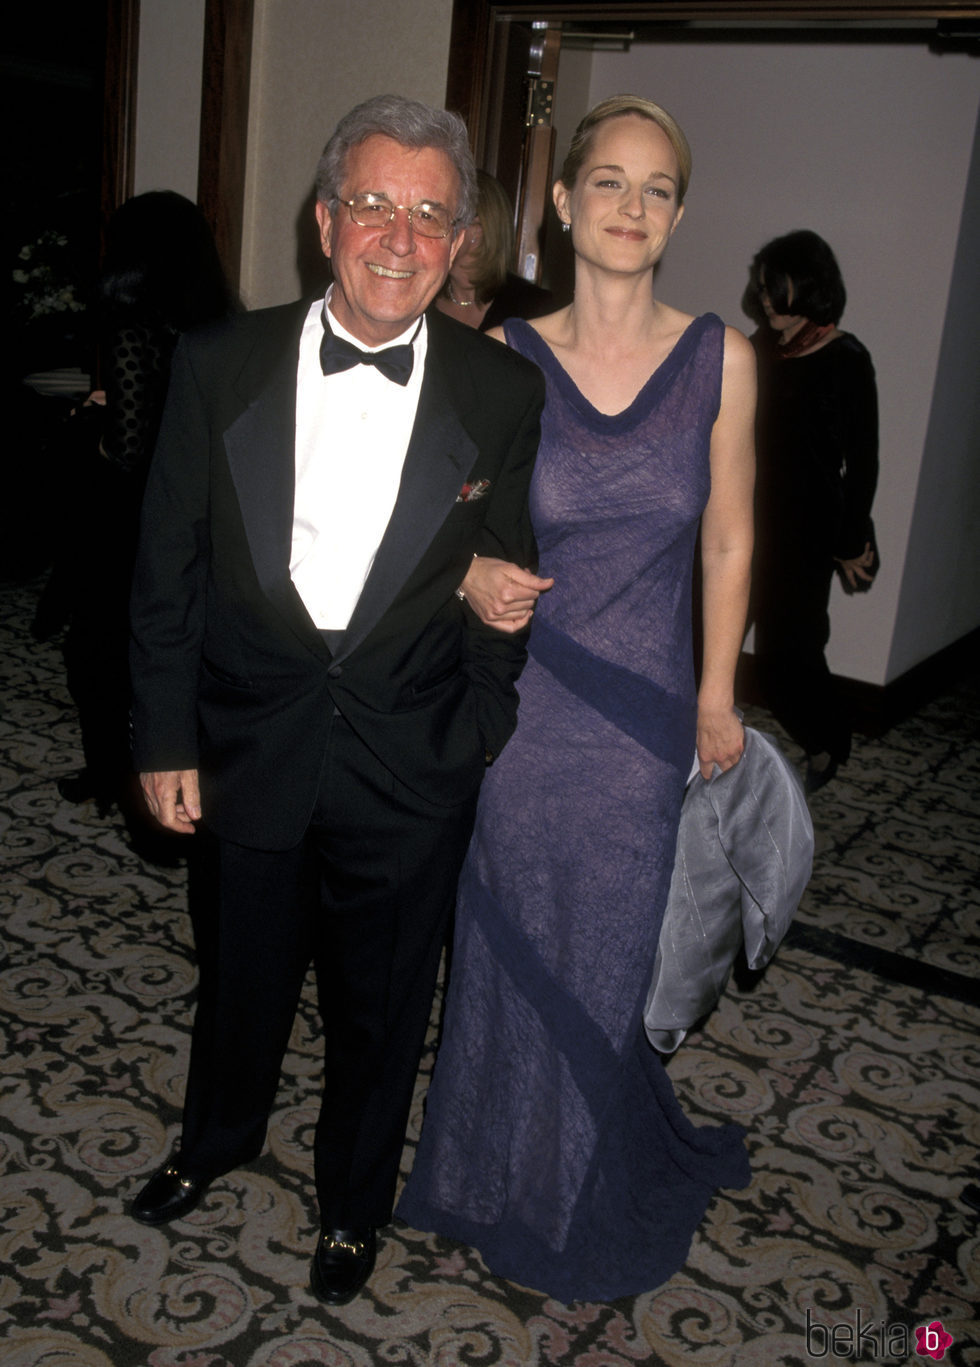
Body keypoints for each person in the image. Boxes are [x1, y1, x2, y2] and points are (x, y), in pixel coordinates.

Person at [126, 94, 545, 1308]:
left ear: (458, 240)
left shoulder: (498, 394)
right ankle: (213, 1142)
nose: (399, 238)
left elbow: (502, 578)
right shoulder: (218, 362)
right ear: (324, 221)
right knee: (240, 974)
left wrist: (478, 731)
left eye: (429, 214)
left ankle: (354, 1203)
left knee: (382, 1005)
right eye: (373, 204)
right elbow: (166, 572)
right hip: (247, 738)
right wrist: (162, 734)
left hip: (411, 756)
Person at [398, 94, 756, 1302]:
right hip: (523, 701)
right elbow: (432, 526)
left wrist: (716, 695)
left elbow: (725, 540)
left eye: (656, 188)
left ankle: (577, 1182)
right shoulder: (503, 355)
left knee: (602, 953)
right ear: (561, 201)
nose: (631, 206)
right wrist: (473, 568)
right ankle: (487, 1169)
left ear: (678, 213)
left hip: (642, 715)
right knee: (500, 941)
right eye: (608, 181)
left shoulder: (721, 358)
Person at [56, 191, 238, 813]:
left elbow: (127, 449)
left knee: (101, 650)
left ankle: (116, 777)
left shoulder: (132, 323)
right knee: (165, 645)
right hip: (193, 507)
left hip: (129, 517)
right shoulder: (218, 321)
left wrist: (84, 424)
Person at [744, 229, 879, 793]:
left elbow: (862, 463)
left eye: (780, 288)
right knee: (705, 641)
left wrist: (852, 542)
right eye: (764, 287)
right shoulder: (755, 349)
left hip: (804, 538)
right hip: (742, 523)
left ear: (812, 289)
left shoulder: (847, 359)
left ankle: (828, 740)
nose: (768, 300)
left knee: (788, 659)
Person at [436, 168, 552, 331]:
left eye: (444, 218)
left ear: (476, 230)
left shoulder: (533, 309)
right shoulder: (424, 298)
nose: (432, 228)